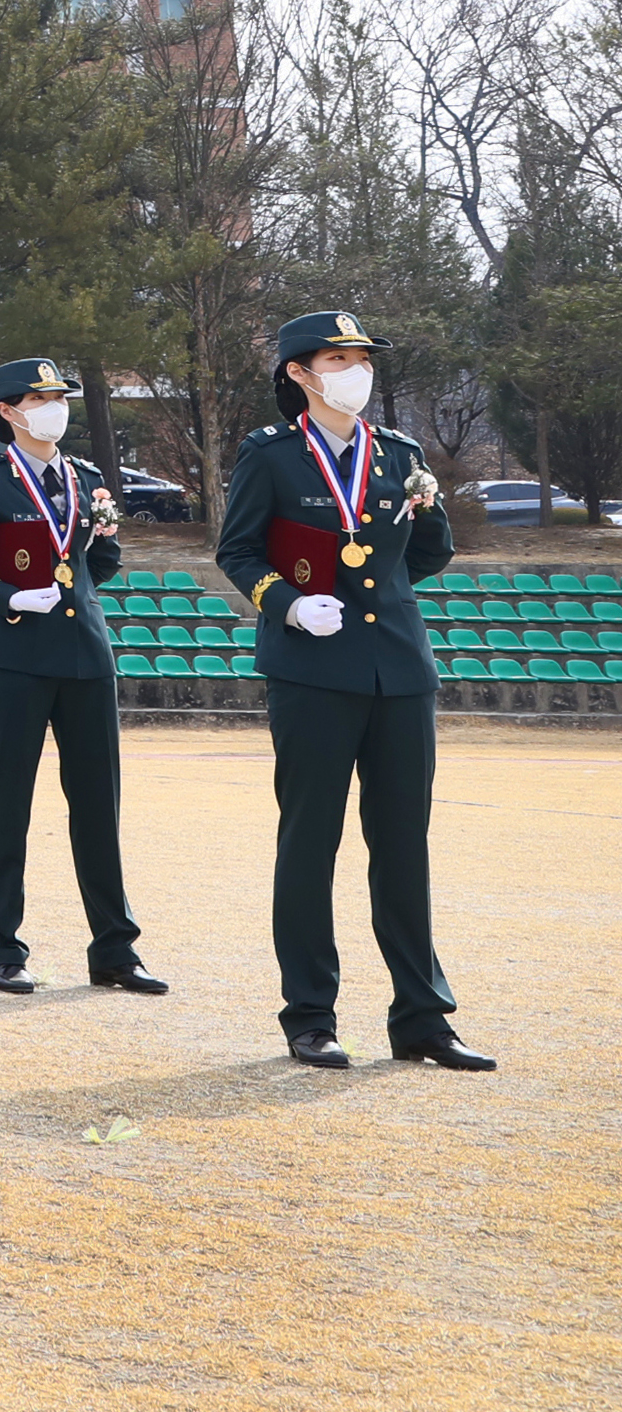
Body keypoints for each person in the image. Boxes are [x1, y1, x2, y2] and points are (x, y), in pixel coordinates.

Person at [218, 310, 490, 1070]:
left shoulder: (398, 451)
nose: (356, 369)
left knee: (404, 844)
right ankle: (310, 1013)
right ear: (299, 373)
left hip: (399, 667)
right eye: (337, 357)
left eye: (363, 357)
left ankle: (424, 1019)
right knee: (311, 840)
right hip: (311, 670)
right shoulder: (270, 454)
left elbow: (428, 555)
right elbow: (236, 551)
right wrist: (288, 603)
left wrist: (428, 513)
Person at [0, 355, 156, 999]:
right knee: (8, 803)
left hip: (86, 653)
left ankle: (116, 948)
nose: (54, 407)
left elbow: (103, 562)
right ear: (8, 411)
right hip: (15, 657)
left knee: (98, 806)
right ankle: (3, 947)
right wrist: (7, 596)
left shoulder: (84, 477)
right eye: (38, 398)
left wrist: (92, 557)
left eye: (59, 395)